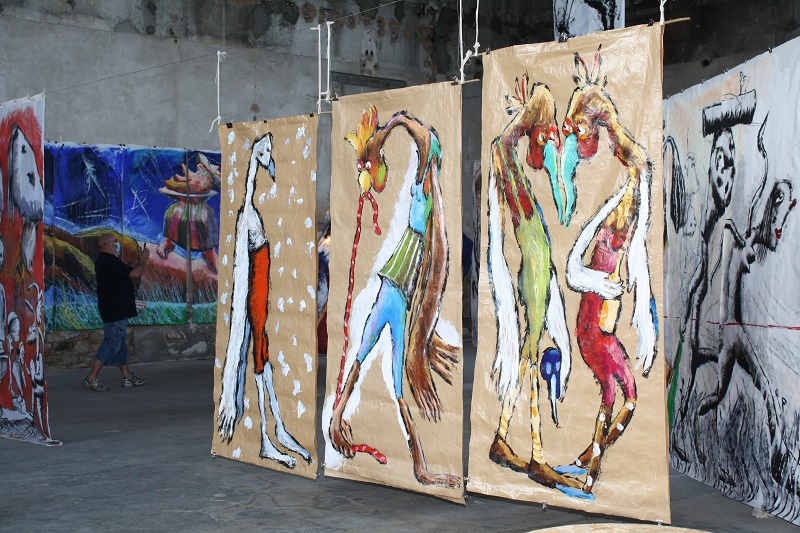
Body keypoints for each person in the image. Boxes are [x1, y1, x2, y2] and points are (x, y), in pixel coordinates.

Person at [82, 233, 149, 391]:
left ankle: (127, 377)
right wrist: (142, 261)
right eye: (115, 241)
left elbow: (126, 270)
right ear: (108, 244)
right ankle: (92, 377)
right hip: (115, 309)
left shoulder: (108, 261)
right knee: (112, 343)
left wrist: (138, 260)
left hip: (115, 308)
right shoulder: (108, 261)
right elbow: (134, 273)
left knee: (120, 344)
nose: (117, 244)